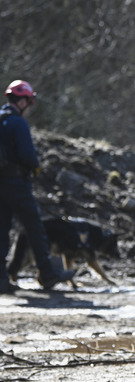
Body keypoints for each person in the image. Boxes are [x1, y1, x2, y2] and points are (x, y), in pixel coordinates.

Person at [1, 80, 75, 293]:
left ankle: (1, 279)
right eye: (29, 102)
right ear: (23, 101)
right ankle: (47, 274)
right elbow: (28, 156)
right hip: (17, 184)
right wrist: (35, 167)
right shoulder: (18, 123)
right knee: (35, 228)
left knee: (1, 231)